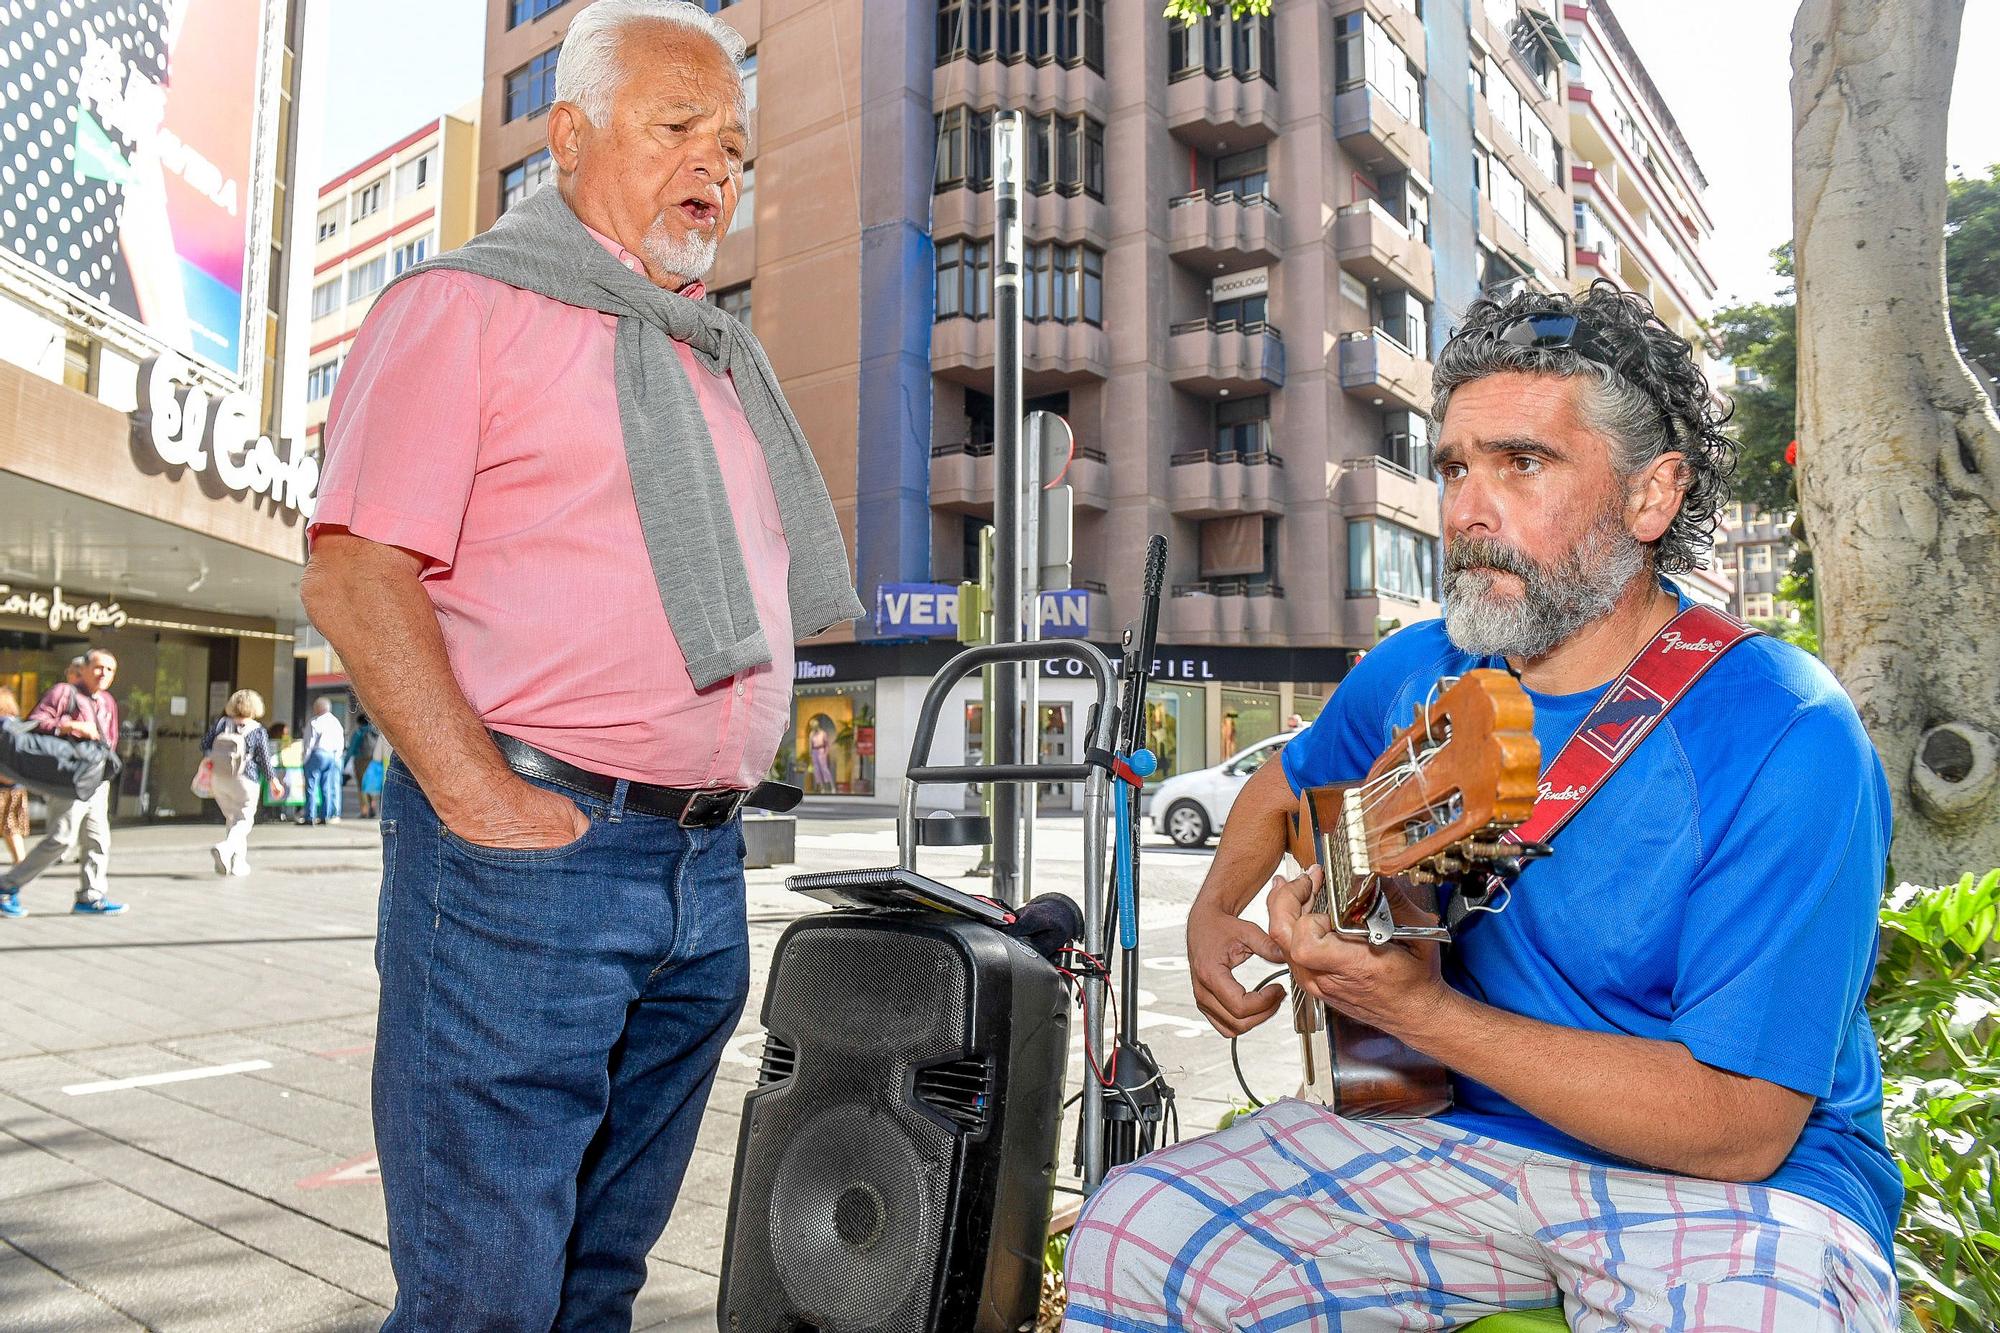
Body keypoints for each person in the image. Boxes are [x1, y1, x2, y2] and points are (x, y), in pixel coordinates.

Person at [1065, 282, 1902, 1330]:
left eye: (1522, 462)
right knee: (1137, 1228)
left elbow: (1735, 1125)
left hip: (1734, 1190)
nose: (1466, 507)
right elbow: (1285, 784)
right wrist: (1212, 911)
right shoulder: (1417, 668)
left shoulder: (1785, 730)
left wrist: (1413, 1011)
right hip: (1448, 1132)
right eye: (1454, 465)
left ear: (1652, 495)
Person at [298, 1, 861, 1324]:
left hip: (696, 870)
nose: (714, 167)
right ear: (569, 135)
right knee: (484, 1294)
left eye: (732, 145)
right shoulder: (463, 307)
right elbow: (356, 572)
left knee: (594, 1282)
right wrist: (484, 802)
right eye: (677, 128)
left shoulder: (712, 358)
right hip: (530, 866)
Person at [0, 648, 127, 917]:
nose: (103, 673)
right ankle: (6, 886)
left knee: (98, 839)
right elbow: (36, 722)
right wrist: (70, 726)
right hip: (70, 777)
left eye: (110, 669)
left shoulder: (107, 701)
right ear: (83, 669)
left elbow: (111, 738)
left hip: (97, 778)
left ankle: (91, 897)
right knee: (61, 839)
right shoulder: (64, 692)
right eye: (98, 667)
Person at [202, 690, 283, 876]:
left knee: (233, 819)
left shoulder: (221, 724)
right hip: (246, 779)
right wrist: (273, 781)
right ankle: (225, 849)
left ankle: (237, 864)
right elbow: (264, 758)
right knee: (244, 821)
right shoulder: (257, 730)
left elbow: (204, 744)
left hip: (219, 778)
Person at [300, 698, 344, 825]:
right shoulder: (336, 722)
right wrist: (336, 756)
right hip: (331, 755)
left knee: (311, 786)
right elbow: (340, 742)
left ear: (318, 708)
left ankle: (310, 816)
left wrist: (305, 759)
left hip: (317, 754)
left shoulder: (315, 722)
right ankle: (325, 815)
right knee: (327, 787)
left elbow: (309, 742)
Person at [0, 686, 29, 864]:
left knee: (10, 828)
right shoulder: (18, 725)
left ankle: (20, 863)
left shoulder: (3, 727)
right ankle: (20, 863)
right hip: (16, 785)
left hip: (4, 786)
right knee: (12, 829)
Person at [346, 711, 381, 818]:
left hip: (360, 760)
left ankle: (364, 810)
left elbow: (352, 749)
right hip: (374, 760)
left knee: (362, 786)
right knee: (372, 784)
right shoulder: (375, 732)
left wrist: (345, 762)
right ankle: (373, 808)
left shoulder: (359, 732)